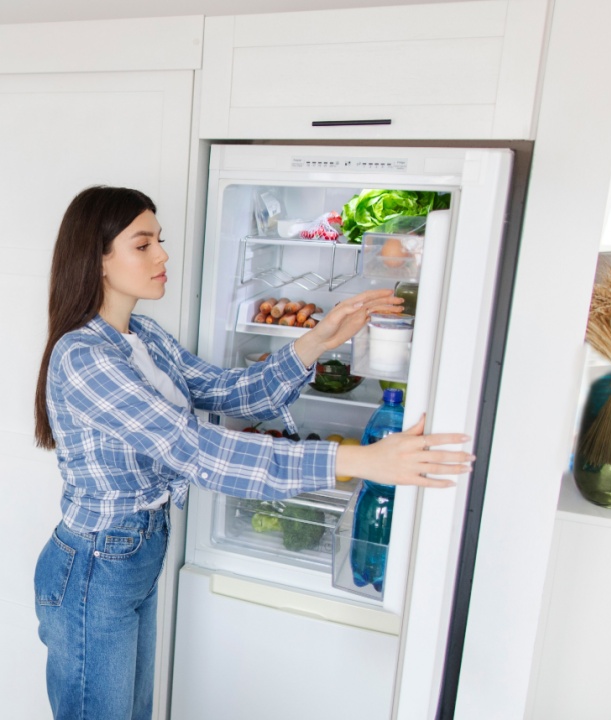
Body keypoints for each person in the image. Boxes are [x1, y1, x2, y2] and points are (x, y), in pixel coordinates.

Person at [32, 186, 474, 720]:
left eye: (159, 241)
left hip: (134, 554)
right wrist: (358, 460)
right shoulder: (84, 358)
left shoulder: (142, 337)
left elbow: (229, 392)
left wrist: (319, 340)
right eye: (142, 245)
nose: (162, 256)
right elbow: (199, 450)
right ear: (97, 259)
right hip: (95, 566)